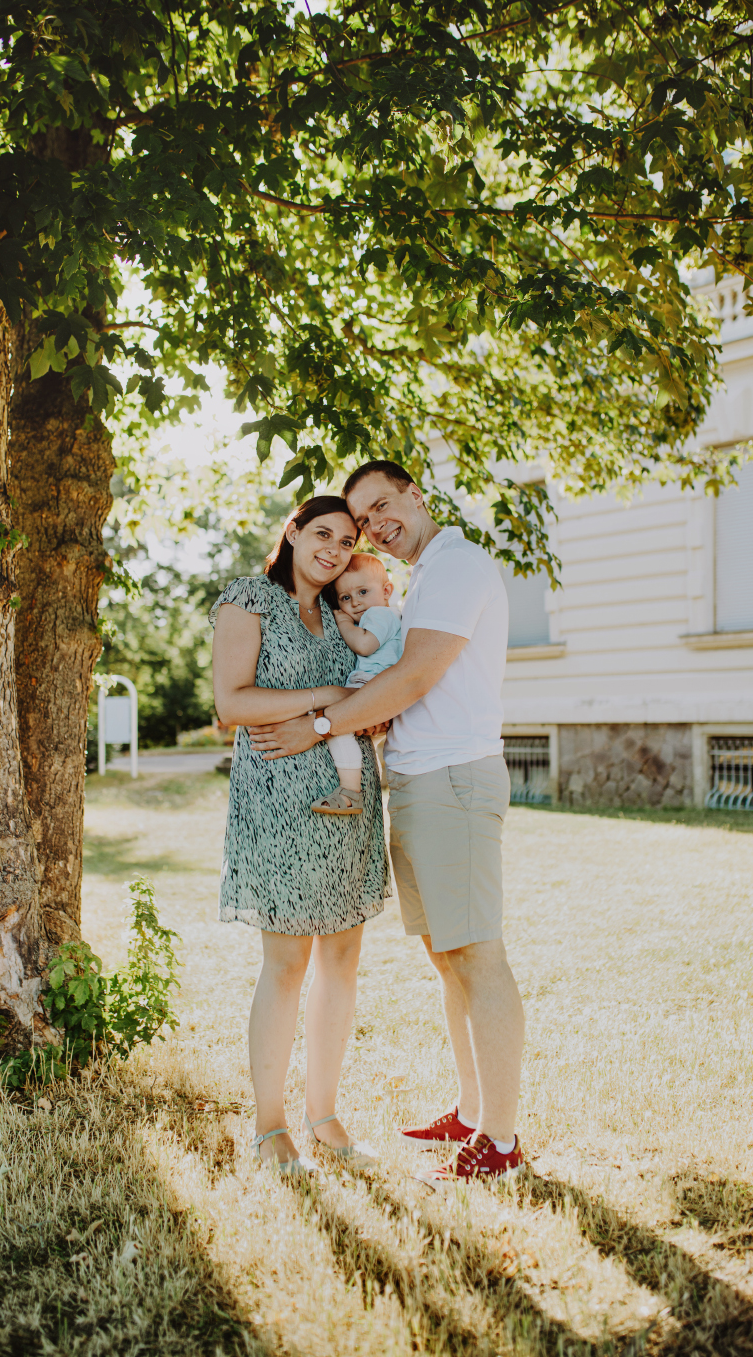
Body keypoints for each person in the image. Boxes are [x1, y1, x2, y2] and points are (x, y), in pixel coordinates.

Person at [248, 462, 526, 1185]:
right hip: (416, 781)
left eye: (381, 506)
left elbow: (410, 679)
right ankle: (469, 1115)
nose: (374, 524)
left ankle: (498, 1143)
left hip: (451, 781)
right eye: (363, 518)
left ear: (416, 495)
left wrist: (318, 725)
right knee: (447, 957)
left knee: (477, 956)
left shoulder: (458, 565)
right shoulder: (421, 576)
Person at [210, 495, 390, 1175]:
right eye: (322, 533)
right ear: (291, 532)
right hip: (280, 803)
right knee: (286, 966)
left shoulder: (347, 612)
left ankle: (325, 1114)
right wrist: (328, 699)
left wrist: (352, 707)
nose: (334, 550)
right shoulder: (251, 598)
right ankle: (269, 1125)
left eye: (345, 541)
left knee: (341, 962)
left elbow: (374, 690)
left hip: (348, 805)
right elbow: (232, 703)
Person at [313, 552, 402, 816]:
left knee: (335, 725)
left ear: (386, 591)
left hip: (370, 685)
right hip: (380, 687)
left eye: (363, 591)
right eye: (346, 598)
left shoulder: (380, 615)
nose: (356, 603)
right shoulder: (383, 616)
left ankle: (350, 791)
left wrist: (343, 622)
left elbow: (364, 645)